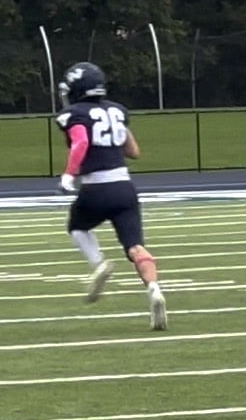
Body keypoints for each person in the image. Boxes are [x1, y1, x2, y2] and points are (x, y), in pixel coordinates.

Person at [54, 62, 167, 330]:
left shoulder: (75, 113)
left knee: (77, 226)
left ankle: (99, 264)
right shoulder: (117, 110)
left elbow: (81, 141)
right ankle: (154, 288)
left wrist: (69, 175)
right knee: (135, 246)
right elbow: (133, 151)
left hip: (96, 187)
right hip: (124, 187)